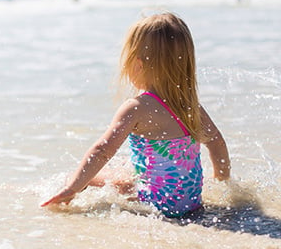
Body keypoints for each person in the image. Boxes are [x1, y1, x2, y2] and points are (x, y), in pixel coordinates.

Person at [41, 12, 231, 218]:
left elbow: (102, 151)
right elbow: (216, 142)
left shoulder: (136, 107)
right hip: (191, 204)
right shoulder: (191, 107)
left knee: (81, 178)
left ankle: (54, 191)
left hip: (157, 205)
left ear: (138, 64)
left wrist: (74, 188)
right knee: (126, 165)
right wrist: (222, 183)